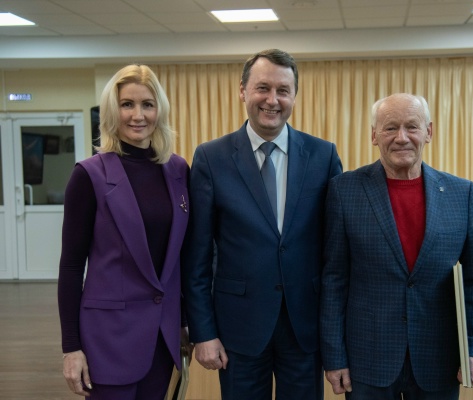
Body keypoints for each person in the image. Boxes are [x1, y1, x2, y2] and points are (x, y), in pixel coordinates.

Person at [182, 48, 342, 400]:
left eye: (283, 90)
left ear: (294, 96)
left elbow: (335, 252)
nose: (272, 100)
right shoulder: (211, 157)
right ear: (243, 91)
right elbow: (196, 257)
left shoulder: (323, 155)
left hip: (304, 327)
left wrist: (336, 335)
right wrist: (203, 332)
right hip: (238, 327)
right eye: (263, 88)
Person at [320, 93, 473, 399]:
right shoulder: (344, 190)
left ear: (429, 131)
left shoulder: (461, 193)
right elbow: (334, 280)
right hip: (367, 360)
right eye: (390, 128)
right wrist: (334, 356)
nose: (401, 137)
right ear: (374, 135)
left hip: (440, 360)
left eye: (412, 126)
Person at [57, 64, 191, 399]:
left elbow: (184, 257)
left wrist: (187, 321)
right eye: (127, 104)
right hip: (107, 338)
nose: (138, 115)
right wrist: (71, 347)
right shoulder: (89, 175)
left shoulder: (178, 170)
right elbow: (71, 266)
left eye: (147, 104)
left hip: (162, 337)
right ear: (111, 111)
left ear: (160, 110)